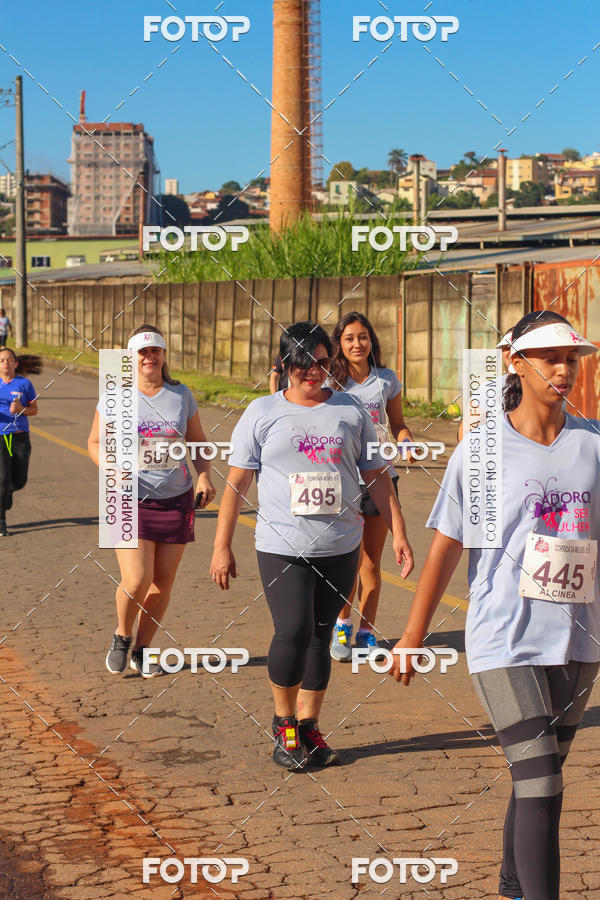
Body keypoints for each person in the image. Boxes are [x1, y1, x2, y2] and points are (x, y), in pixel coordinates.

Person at [390, 310, 600, 900]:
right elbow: (446, 549)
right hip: (504, 636)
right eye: (551, 358)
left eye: (573, 359)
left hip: (579, 636)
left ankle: (512, 884)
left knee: (542, 773)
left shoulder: (592, 443)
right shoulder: (482, 452)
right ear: (517, 363)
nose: (564, 369)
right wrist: (412, 636)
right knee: (541, 782)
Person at [210, 321, 414, 770]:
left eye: (321, 363)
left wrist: (398, 531)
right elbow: (237, 484)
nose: (312, 372)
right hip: (281, 545)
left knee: (322, 637)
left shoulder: (349, 410)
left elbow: (377, 476)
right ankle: (283, 725)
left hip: (340, 543)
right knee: (293, 631)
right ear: (284, 366)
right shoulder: (262, 412)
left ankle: (309, 726)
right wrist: (222, 545)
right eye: (302, 365)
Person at [88, 325, 216, 677]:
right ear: (131, 359)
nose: (149, 357)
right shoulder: (117, 394)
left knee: (162, 583)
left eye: (155, 350)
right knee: (137, 579)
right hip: (127, 497)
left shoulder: (180, 395)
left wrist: (204, 474)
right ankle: (122, 634)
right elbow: (95, 442)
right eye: (142, 352)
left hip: (175, 497)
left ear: (163, 354)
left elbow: (198, 443)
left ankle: (143, 649)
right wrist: (111, 468)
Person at [328, 312, 414, 661]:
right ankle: (342, 626)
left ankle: (366, 633)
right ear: (340, 344)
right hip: (344, 480)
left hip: (381, 479)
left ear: (371, 341)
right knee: (346, 560)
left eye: (362, 337)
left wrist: (406, 441)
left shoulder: (386, 380)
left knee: (371, 562)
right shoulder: (331, 383)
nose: (357, 344)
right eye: (349, 338)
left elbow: (399, 424)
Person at [0, 349, 40, 536]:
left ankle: (7, 492)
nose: (5, 363)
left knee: (19, 480)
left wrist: (21, 409)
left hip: (19, 436)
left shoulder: (25, 384)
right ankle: (1, 523)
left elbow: (34, 409)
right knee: (2, 478)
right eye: (2, 360)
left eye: (9, 360)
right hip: (0, 436)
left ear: (15, 364)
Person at [457, 327, 515, 442]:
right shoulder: (488, 389)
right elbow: (466, 432)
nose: (510, 353)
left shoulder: (549, 387)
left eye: (514, 347)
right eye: (506, 348)